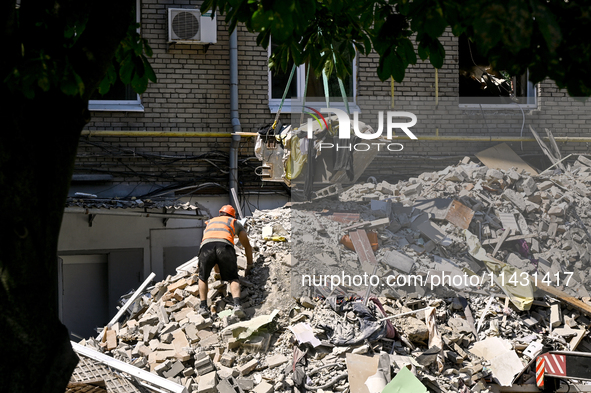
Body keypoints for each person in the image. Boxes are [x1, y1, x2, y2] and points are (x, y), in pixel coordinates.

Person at [198, 205, 253, 318]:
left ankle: (203, 307)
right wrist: (249, 265)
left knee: (203, 277)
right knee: (233, 278)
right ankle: (237, 306)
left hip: (205, 248)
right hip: (225, 246)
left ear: (220, 213)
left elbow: (212, 244)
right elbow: (247, 246)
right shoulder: (234, 222)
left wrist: (217, 272)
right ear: (233, 215)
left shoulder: (210, 222)